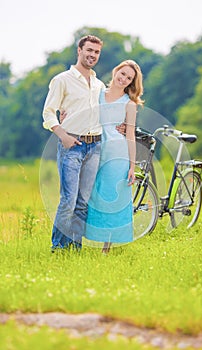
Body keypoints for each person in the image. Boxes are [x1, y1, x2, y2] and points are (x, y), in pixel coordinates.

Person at [42, 35, 105, 251]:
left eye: (96, 52)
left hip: (95, 145)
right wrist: (63, 136)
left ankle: (75, 248)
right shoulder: (62, 80)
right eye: (88, 50)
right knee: (68, 200)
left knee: (82, 203)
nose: (92, 55)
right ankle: (58, 248)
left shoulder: (98, 84)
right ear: (79, 50)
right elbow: (48, 113)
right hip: (72, 145)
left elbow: (103, 112)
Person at [84, 60, 144, 253]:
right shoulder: (98, 93)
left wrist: (132, 166)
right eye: (123, 73)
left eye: (129, 78)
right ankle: (83, 236)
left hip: (117, 154)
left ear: (132, 83)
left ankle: (106, 246)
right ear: (116, 70)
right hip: (94, 147)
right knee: (91, 194)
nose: (123, 79)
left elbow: (130, 135)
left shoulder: (130, 104)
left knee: (110, 195)